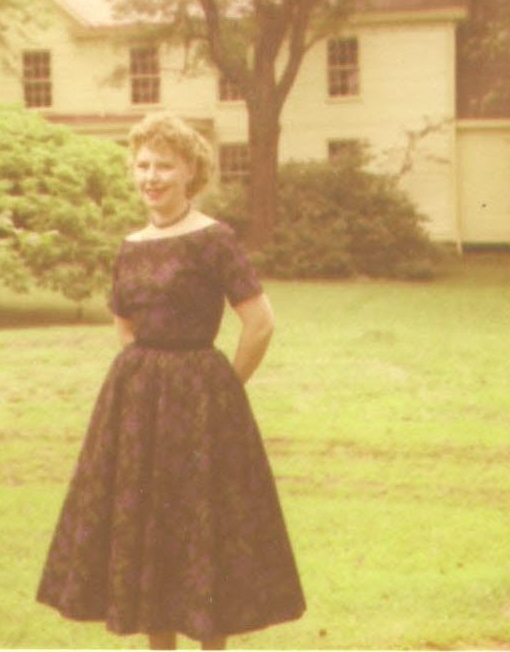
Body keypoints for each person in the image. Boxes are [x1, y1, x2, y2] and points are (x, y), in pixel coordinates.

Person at [36, 113, 305, 649]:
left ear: (190, 172)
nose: (151, 177)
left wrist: (224, 387)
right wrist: (147, 387)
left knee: (202, 528)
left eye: (164, 166)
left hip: (202, 409)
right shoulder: (130, 245)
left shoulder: (214, 240)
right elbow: (125, 324)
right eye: (143, 165)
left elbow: (260, 322)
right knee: (147, 530)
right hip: (137, 409)